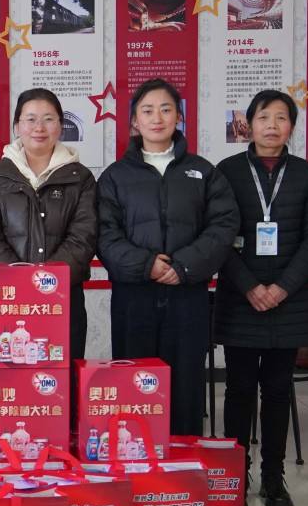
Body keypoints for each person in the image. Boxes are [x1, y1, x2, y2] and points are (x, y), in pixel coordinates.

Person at [97, 78, 239, 436]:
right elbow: (104, 233)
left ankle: (184, 459)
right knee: (134, 383)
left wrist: (183, 266)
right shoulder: (115, 176)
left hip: (187, 295)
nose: (157, 118)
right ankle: (137, 459)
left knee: (185, 384)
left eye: (166, 109)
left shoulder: (203, 172)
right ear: (135, 121)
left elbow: (223, 225)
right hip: (134, 296)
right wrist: (146, 265)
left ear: (179, 117)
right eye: (147, 110)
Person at [213, 90, 308, 506]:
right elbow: (218, 236)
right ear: (249, 124)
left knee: (279, 390)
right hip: (240, 297)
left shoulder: (305, 174)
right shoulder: (227, 171)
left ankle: (273, 477)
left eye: (282, 118)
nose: (272, 126)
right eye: (264, 117)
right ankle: (236, 476)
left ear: (291, 127)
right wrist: (249, 286)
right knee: (239, 390)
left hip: (289, 300)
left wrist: (282, 287)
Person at [0, 88, 97, 358]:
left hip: (63, 298)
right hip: (7, 298)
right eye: (30, 119)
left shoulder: (81, 178)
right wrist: (19, 282)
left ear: (60, 126)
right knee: (11, 373)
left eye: (48, 119)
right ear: (17, 126)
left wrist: (48, 282)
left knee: (63, 373)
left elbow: (83, 237)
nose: (39, 128)